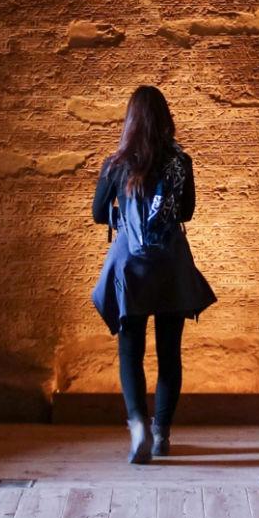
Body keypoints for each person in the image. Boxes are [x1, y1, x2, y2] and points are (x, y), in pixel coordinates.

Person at [91, 86, 216, 462]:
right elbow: (188, 212)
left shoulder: (116, 163)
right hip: (171, 267)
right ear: (165, 119)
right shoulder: (181, 161)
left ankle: (138, 427)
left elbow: (98, 213)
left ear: (130, 120)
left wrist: (123, 214)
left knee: (130, 351)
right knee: (169, 352)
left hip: (131, 269)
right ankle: (162, 433)